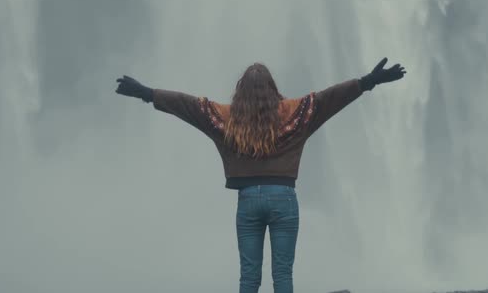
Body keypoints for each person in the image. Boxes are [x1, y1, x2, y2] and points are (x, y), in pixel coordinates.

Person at [114, 57, 406, 293]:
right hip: (284, 199)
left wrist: (147, 93)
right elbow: (331, 98)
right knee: (282, 276)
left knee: (249, 278)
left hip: (248, 200)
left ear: (241, 91)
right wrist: (369, 81)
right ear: (272, 87)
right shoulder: (298, 111)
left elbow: (188, 105)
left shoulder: (225, 118)